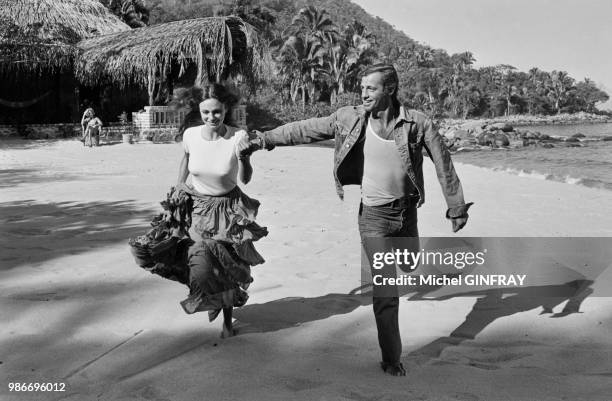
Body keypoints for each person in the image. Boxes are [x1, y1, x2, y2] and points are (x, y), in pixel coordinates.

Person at [241, 63, 473, 375]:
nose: (363, 94)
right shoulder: (349, 118)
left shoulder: (417, 123)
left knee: (409, 263)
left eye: (371, 88)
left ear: (389, 89)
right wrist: (263, 139)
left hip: (406, 215)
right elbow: (304, 129)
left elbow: (443, 163)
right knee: (386, 292)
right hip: (373, 217)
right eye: (362, 88)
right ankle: (391, 360)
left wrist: (455, 207)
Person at [177, 83, 268, 338]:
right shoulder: (191, 135)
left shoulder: (238, 137)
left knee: (227, 266)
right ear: (199, 111)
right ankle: (212, 298)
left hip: (228, 210)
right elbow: (185, 160)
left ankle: (227, 321)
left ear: (226, 109)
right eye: (206, 112)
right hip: (198, 207)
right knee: (201, 264)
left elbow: (246, 179)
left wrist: (244, 158)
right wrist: (178, 188)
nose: (211, 117)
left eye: (216, 112)